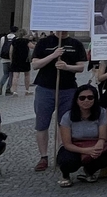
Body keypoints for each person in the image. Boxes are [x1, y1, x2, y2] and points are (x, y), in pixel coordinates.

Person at [31, 31, 88, 172]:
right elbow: (35, 64)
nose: (62, 31)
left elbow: (80, 67)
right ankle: (43, 157)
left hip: (68, 89)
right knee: (42, 123)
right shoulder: (44, 42)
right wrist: (53, 56)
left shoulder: (76, 44)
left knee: (64, 123)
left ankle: (62, 153)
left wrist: (66, 67)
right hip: (45, 87)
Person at [56, 84, 107, 188]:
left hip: (93, 143)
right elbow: (67, 144)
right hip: (74, 146)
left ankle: (89, 171)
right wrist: (88, 151)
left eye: (90, 97)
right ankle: (65, 175)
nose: (86, 101)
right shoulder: (67, 116)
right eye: (82, 98)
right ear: (76, 100)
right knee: (67, 161)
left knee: (104, 158)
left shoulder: (101, 112)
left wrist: (98, 146)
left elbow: (102, 136)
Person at [9, 28, 33, 97]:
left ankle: (14, 91)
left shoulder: (14, 41)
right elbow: (32, 47)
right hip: (25, 60)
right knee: (27, 75)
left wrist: (11, 60)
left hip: (16, 60)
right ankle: (27, 90)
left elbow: (11, 51)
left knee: (15, 76)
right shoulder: (26, 41)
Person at [0, 26, 17, 97]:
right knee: (12, 75)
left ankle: (0, 85)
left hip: (4, 59)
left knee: (5, 74)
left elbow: (1, 47)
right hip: (12, 59)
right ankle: (8, 90)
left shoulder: (3, 38)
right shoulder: (16, 38)